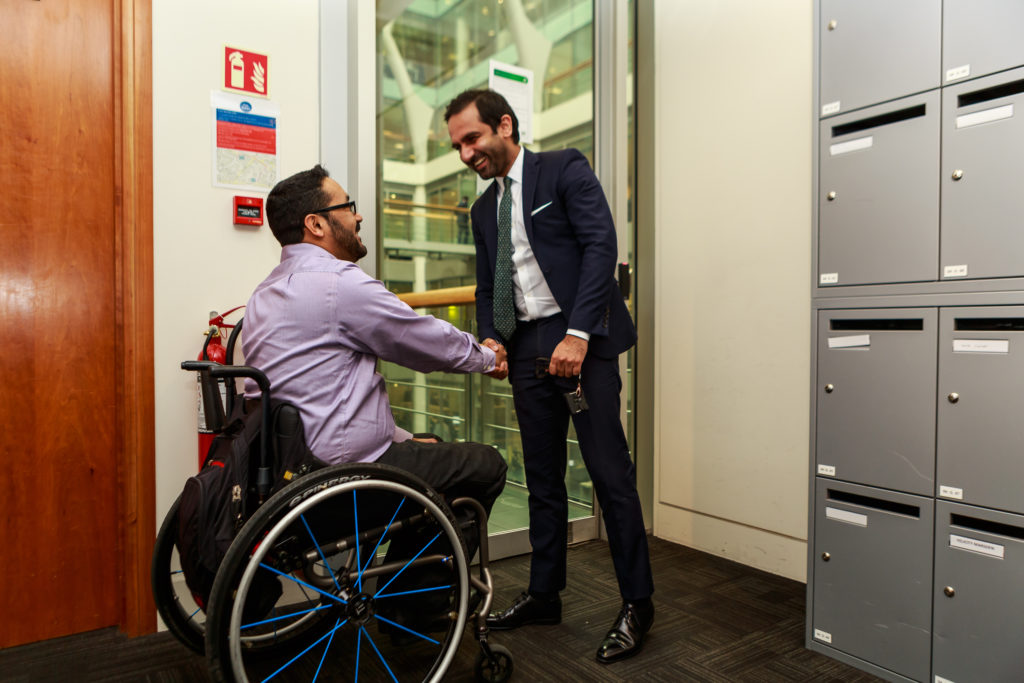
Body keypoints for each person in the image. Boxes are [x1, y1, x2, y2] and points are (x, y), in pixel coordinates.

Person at [241, 164, 508, 626]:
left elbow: (327, 402)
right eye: (348, 206)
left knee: (426, 443)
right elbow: (418, 338)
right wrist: (486, 358)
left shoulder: (264, 294)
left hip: (289, 477)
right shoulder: (339, 284)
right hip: (340, 483)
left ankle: (408, 589)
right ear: (317, 223)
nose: (359, 217)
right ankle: (414, 605)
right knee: (486, 466)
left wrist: (403, 440)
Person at [445, 89, 655, 663]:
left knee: (610, 475)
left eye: (473, 138)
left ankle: (639, 601)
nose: (466, 154)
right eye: (458, 146)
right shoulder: (482, 210)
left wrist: (580, 335)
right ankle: (545, 593)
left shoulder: (562, 168)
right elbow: (490, 283)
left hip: (580, 338)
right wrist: (491, 336)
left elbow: (599, 246)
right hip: (527, 345)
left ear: (505, 126)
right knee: (540, 477)